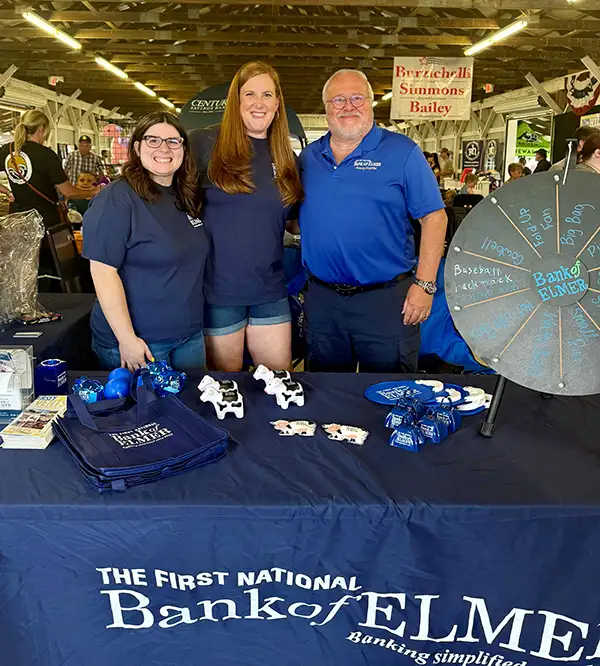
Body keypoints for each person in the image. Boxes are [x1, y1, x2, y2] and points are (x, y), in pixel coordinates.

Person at [298, 69, 447, 373]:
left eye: (357, 98)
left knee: (388, 393)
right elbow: (293, 220)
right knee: (325, 393)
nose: (348, 106)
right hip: (323, 302)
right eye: (338, 100)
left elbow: (434, 217)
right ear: (326, 107)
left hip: (386, 301)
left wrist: (425, 285)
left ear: (371, 104)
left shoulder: (402, 152)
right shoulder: (308, 159)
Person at [190, 61, 303, 372]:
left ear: (278, 104)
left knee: (280, 387)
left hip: (270, 290)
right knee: (226, 391)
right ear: (235, 102)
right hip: (219, 292)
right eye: (249, 94)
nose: (259, 103)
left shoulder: (285, 158)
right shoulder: (204, 144)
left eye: (267, 95)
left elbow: (292, 220)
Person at [83, 111, 208, 373]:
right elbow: (103, 273)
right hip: (142, 343)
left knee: (192, 411)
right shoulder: (117, 199)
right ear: (137, 147)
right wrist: (127, 339)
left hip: (189, 335)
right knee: (144, 414)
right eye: (153, 140)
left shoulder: (183, 195)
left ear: (183, 149)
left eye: (173, 141)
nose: (164, 148)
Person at [0, 110, 97, 285]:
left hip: (17, 219)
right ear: (42, 130)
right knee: (49, 268)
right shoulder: (46, 155)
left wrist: (6, 191)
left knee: (22, 268)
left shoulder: (7, 151)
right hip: (45, 221)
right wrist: (92, 192)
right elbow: (68, 191)